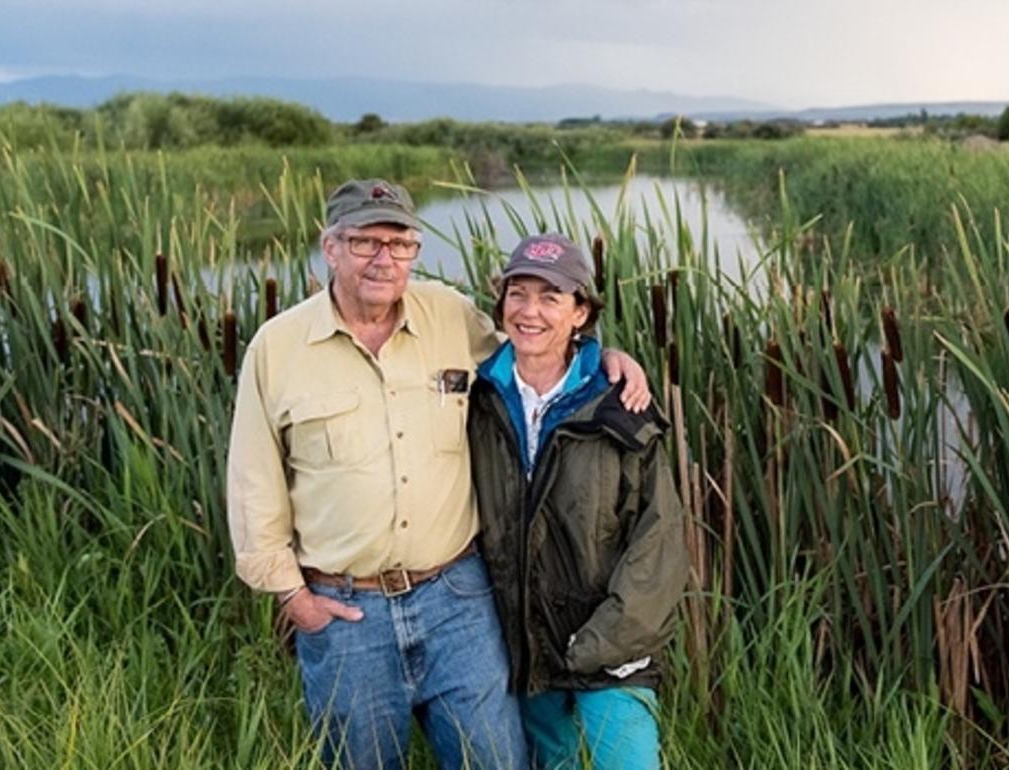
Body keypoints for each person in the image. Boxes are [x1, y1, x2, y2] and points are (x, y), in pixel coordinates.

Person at [225, 180, 652, 770]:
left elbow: (535, 344)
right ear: (330, 247)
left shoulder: (450, 316)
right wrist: (294, 597)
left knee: (497, 761)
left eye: (401, 244)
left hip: (458, 598)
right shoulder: (277, 348)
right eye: (366, 241)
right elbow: (252, 481)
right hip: (346, 611)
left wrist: (604, 357)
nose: (385, 259)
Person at [469, 234, 687, 770]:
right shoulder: (475, 396)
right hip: (525, 645)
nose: (530, 312)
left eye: (551, 297)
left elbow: (659, 540)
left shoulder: (620, 405)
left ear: (581, 312)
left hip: (609, 648)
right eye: (518, 294)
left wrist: (603, 644)